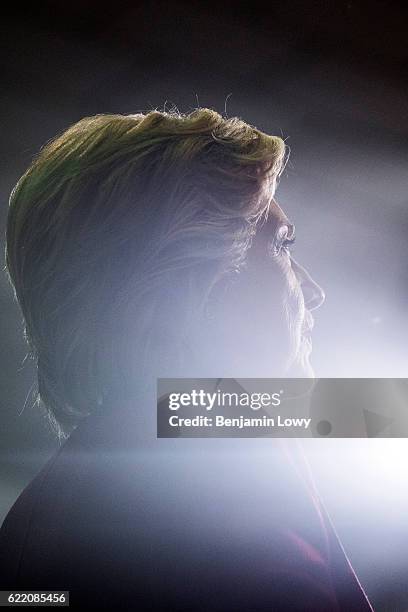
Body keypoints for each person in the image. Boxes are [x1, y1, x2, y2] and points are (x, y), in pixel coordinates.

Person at [0, 109, 372, 610]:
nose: (315, 291)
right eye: (282, 246)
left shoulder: (33, 518)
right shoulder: (223, 451)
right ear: (194, 282)